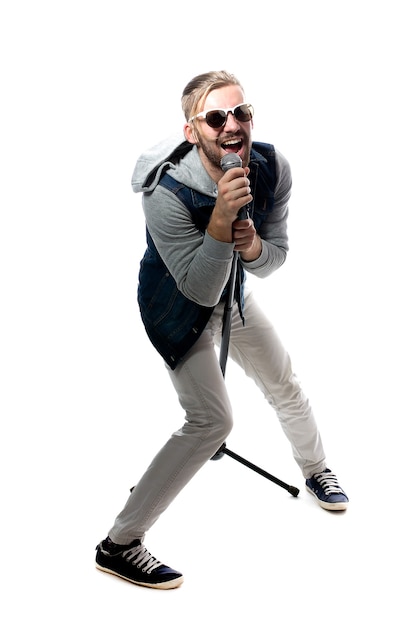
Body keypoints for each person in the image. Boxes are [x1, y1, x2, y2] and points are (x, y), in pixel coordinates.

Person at [95, 70, 348, 590]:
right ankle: (118, 543)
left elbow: (271, 261)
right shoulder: (163, 190)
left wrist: (250, 244)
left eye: (241, 113)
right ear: (193, 131)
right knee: (211, 420)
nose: (232, 126)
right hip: (174, 304)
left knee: (284, 381)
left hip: (231, 290)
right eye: (216, 117)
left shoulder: (271, 167)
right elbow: (196, 290)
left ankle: (316, 467)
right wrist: (220, 220)